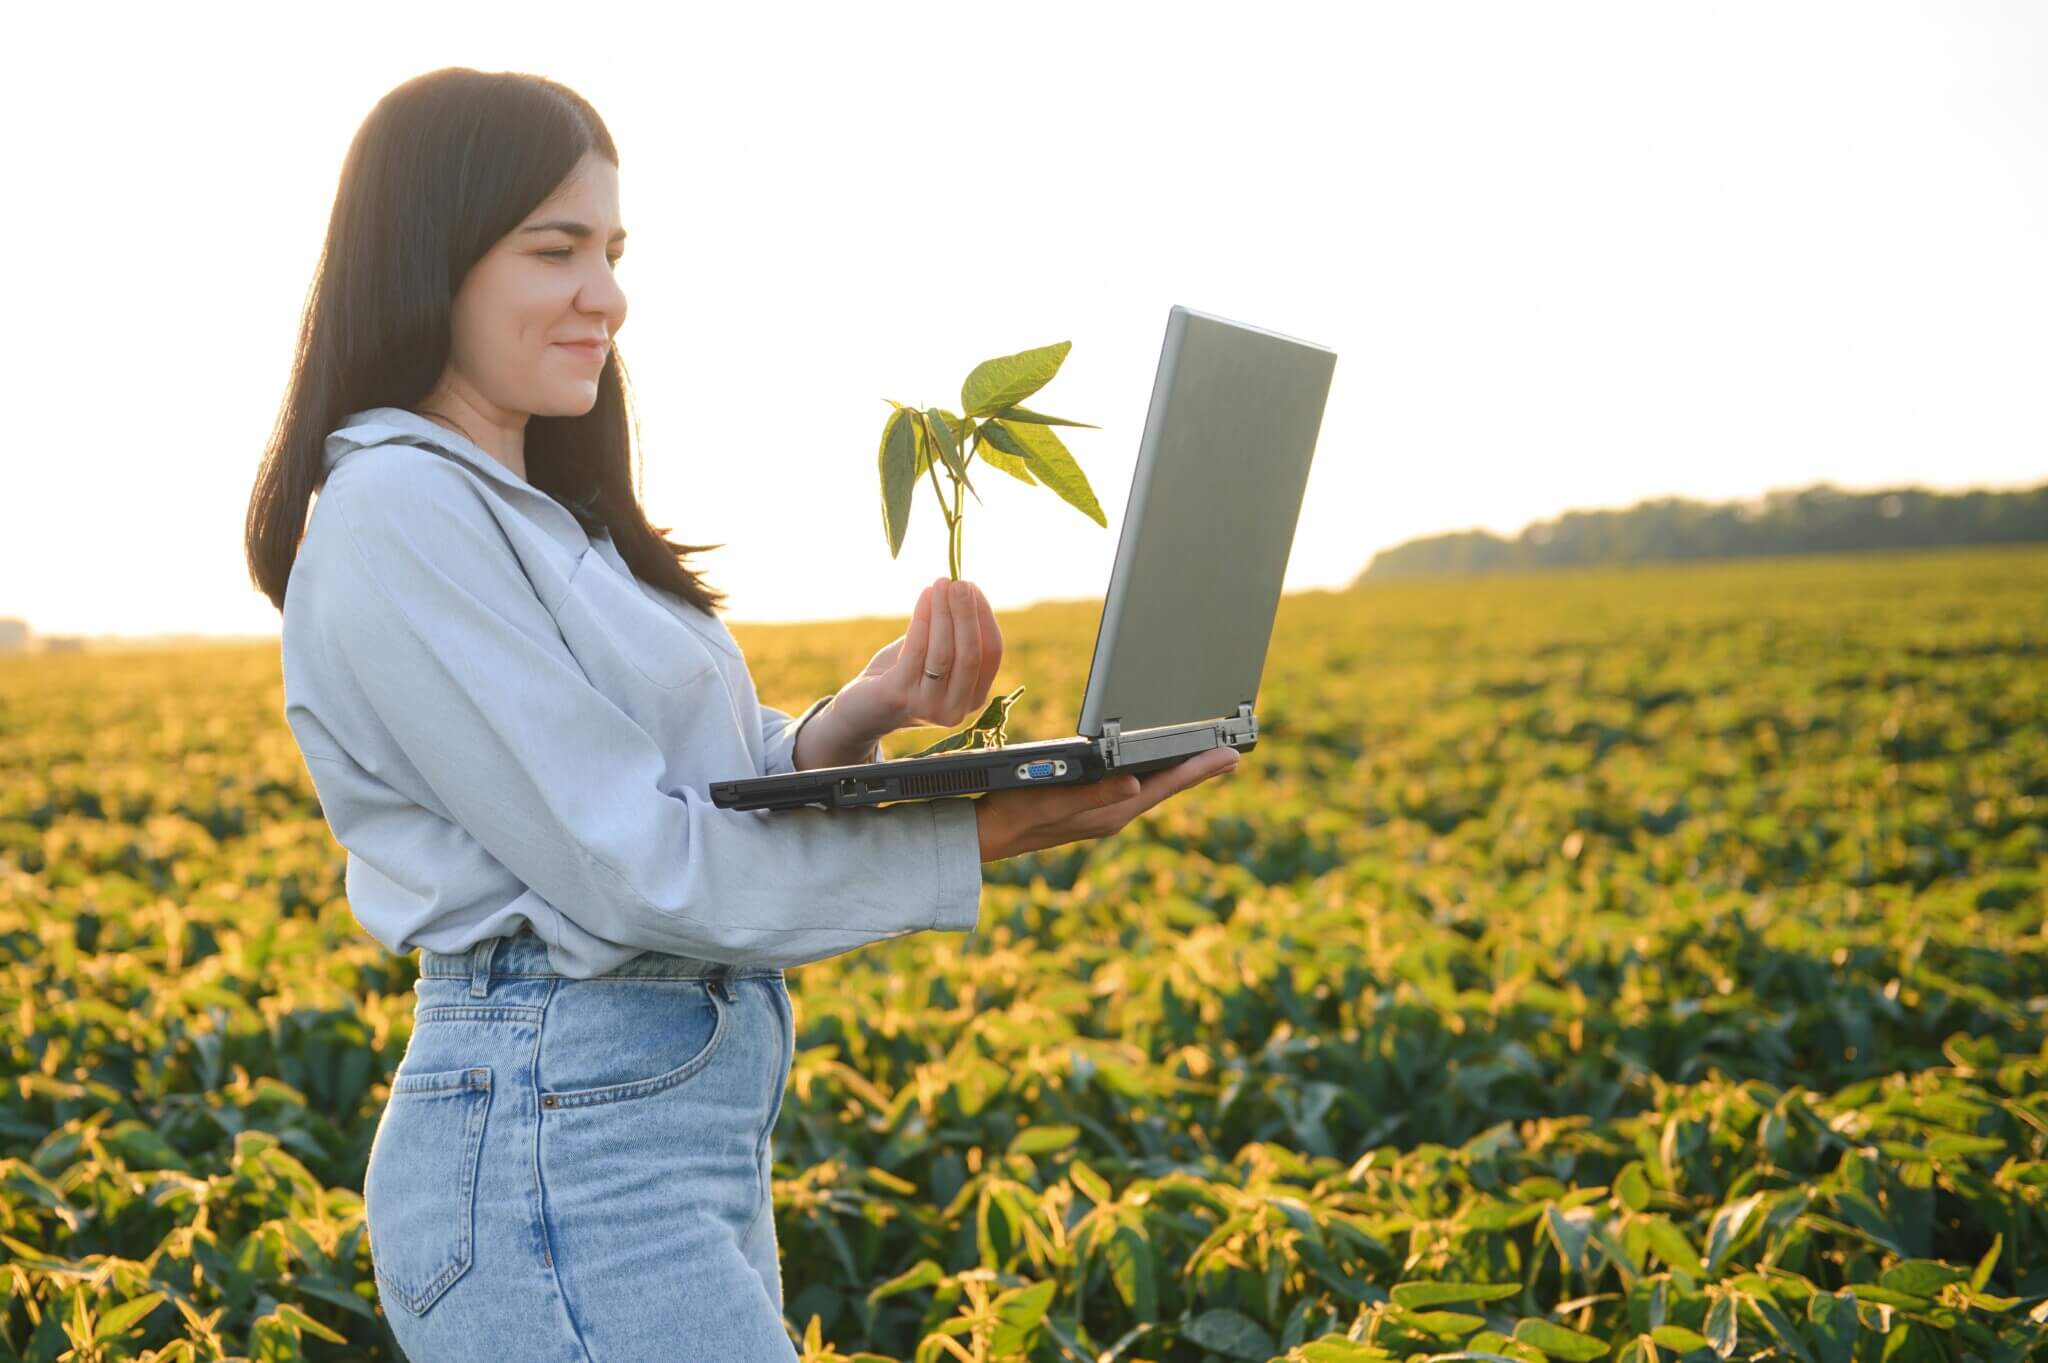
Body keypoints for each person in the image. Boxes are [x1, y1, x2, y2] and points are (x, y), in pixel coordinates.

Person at [240, 66, 1238, 1363]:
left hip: (638, 1131)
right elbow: (628, 867)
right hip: (561, 1145)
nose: (607, 293)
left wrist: (852, 720)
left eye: (613, 249)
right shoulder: (397, 514)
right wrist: (973, 837)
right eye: (558, 250)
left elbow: (669, 787)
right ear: (430, 259)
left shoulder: (544, 516)